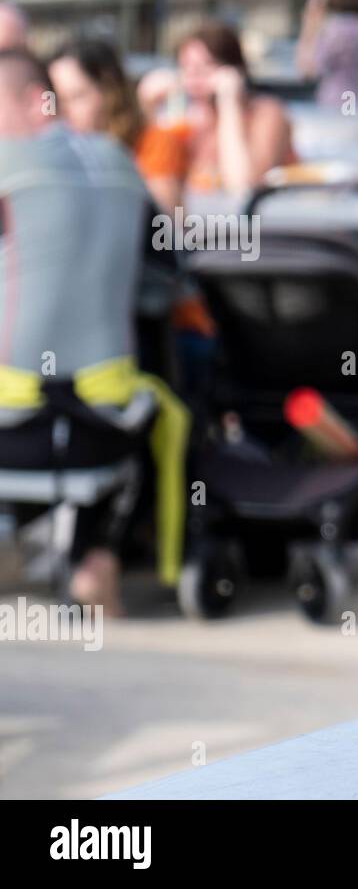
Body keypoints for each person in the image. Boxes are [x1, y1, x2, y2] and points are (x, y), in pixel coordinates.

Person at [0, 48, 189, 615]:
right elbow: (167, 282)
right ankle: (96, 559)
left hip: (12, 428)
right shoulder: (121, 163)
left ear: (37, 103)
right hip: (109, 426)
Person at [142, 21, 295, 198]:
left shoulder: (267, 114)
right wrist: (148, 110)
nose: (193, 77)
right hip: (203, 220)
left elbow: (243, 187)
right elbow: (155, 180)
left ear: (235, 69)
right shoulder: (188, 122)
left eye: (206, 66)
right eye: (185, 66)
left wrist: (229, 103)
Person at [48, 39, 186, 211]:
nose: (63, 111)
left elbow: (162, 222)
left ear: (110, 91)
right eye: (57, 100)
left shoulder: (153, 142)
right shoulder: (57, 150)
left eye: (77, 96)